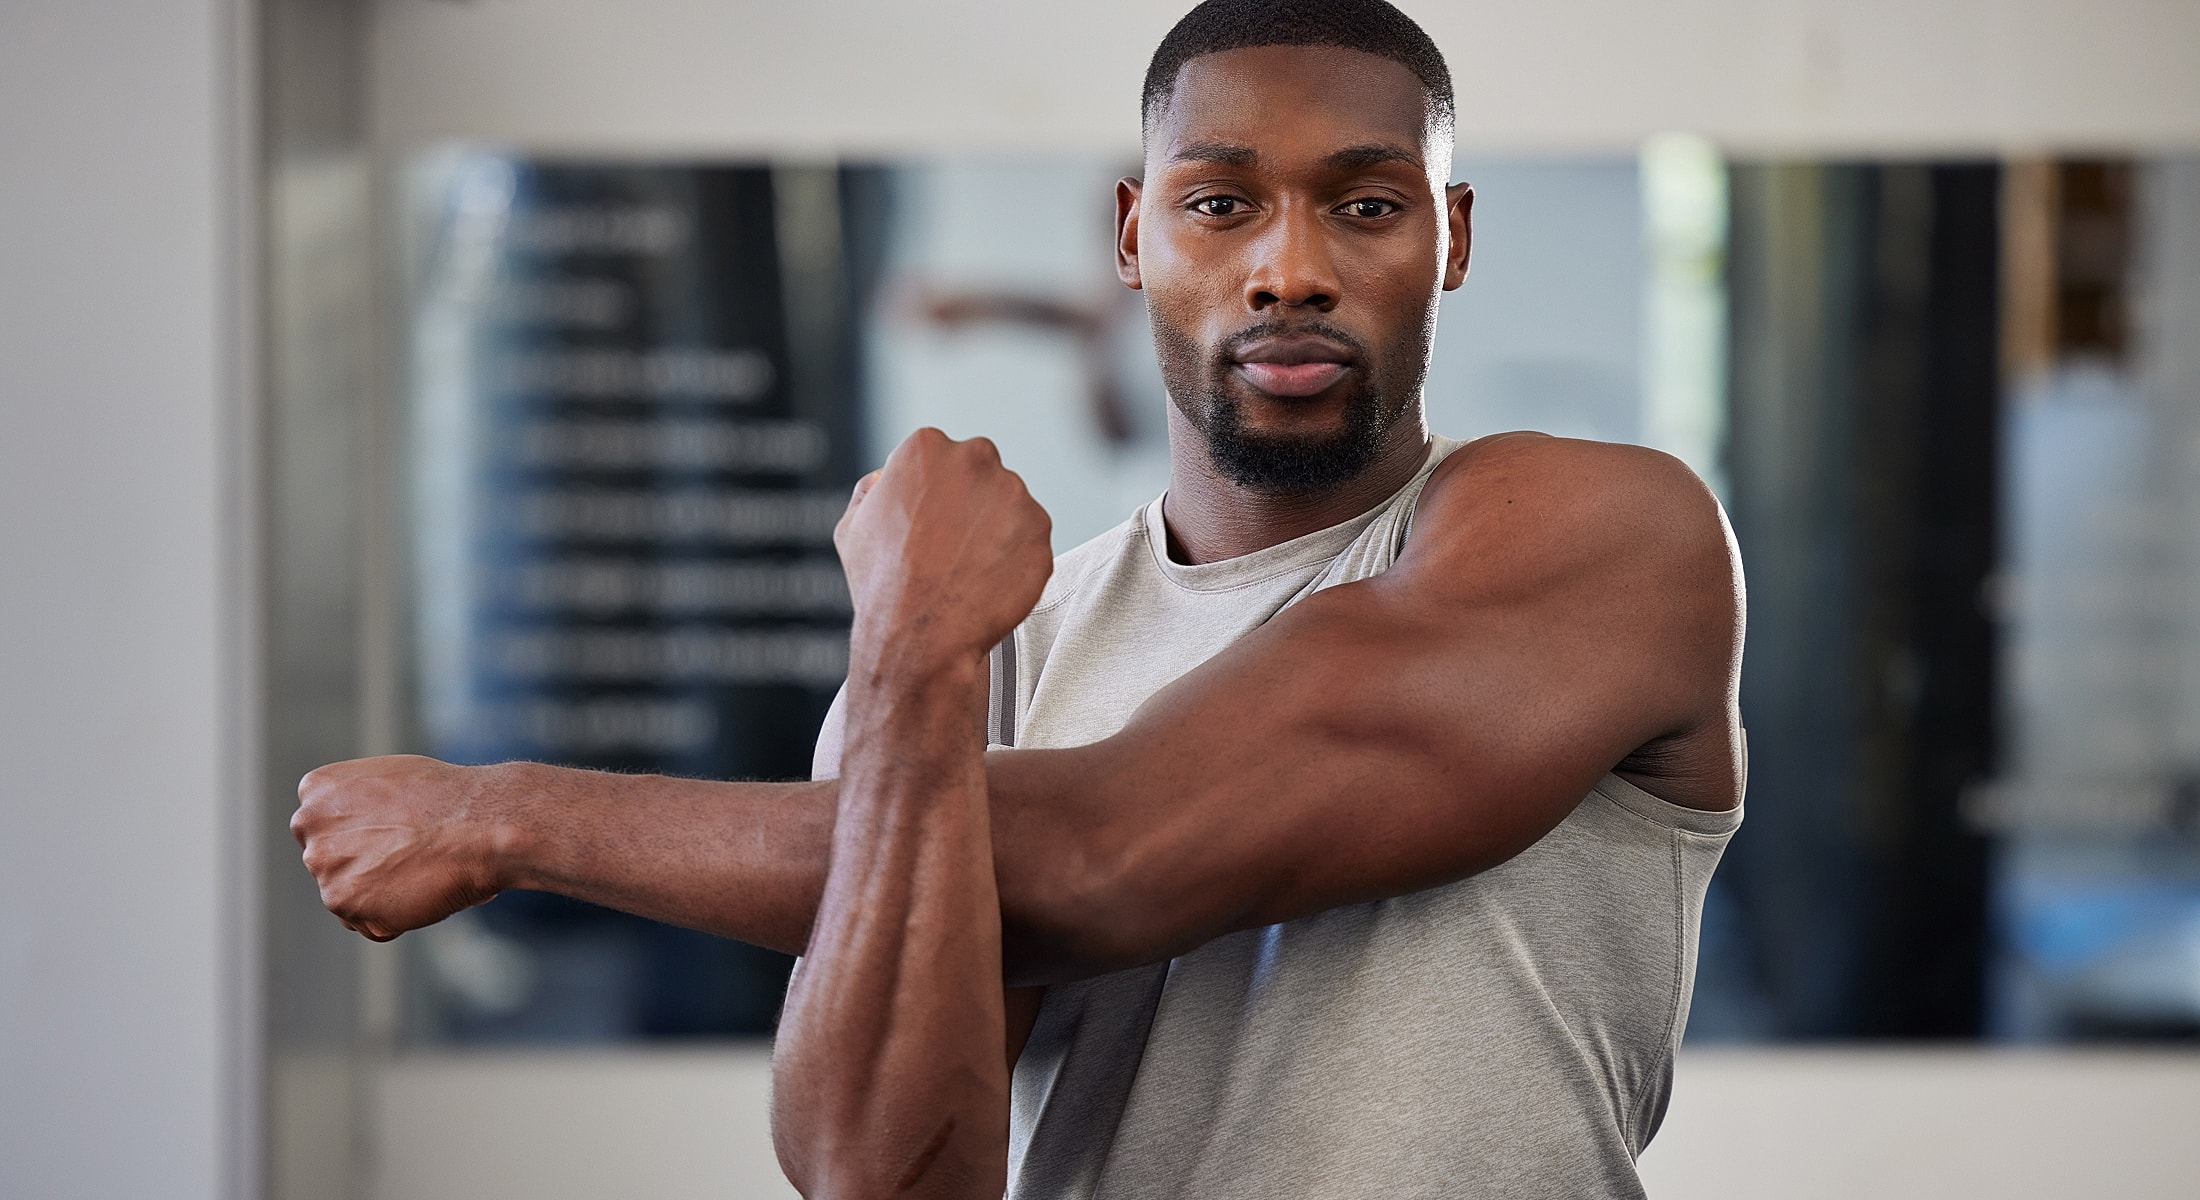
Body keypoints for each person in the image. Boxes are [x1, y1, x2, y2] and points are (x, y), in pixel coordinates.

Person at [292, 1, 1746, 1195]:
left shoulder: (1606, 533)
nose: (1288, 270)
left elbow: (1116, 850)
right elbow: (878, 1173)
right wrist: (915, 653)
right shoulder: (997, 644)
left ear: (1454, 234)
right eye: (1219, 204)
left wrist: (500, 818)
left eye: (1366, 205)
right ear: (1135, 236)